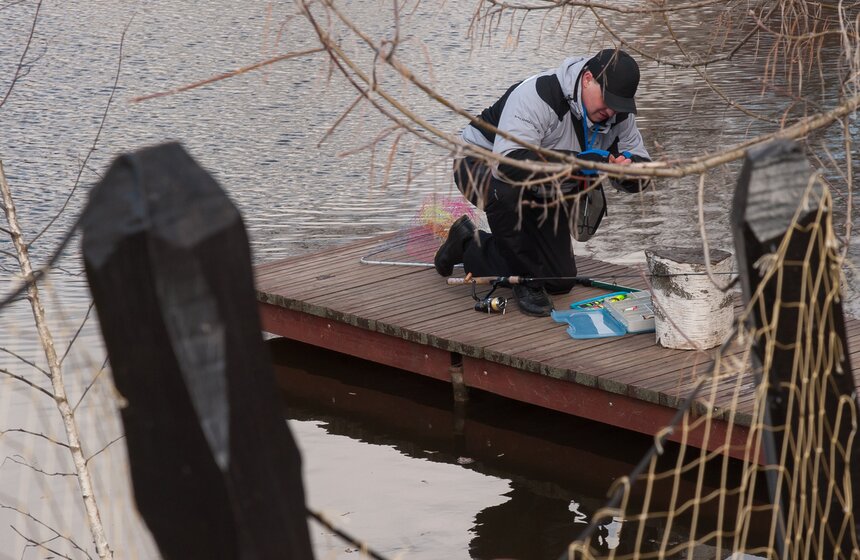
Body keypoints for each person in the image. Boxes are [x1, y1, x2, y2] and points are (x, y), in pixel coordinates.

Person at [434, 49, 651, 317]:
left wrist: (627, 173)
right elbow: (508, 165)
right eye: (607, 100)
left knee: (560, 282)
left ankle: (466, 243)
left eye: (619, 104)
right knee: (508, 192)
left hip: (544, 184)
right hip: (478, 165)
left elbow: (642, 164)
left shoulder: (618, 114)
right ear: (587, 79)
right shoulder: (539, 94)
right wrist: (581, 162)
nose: (611, 111)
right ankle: (525, 280)